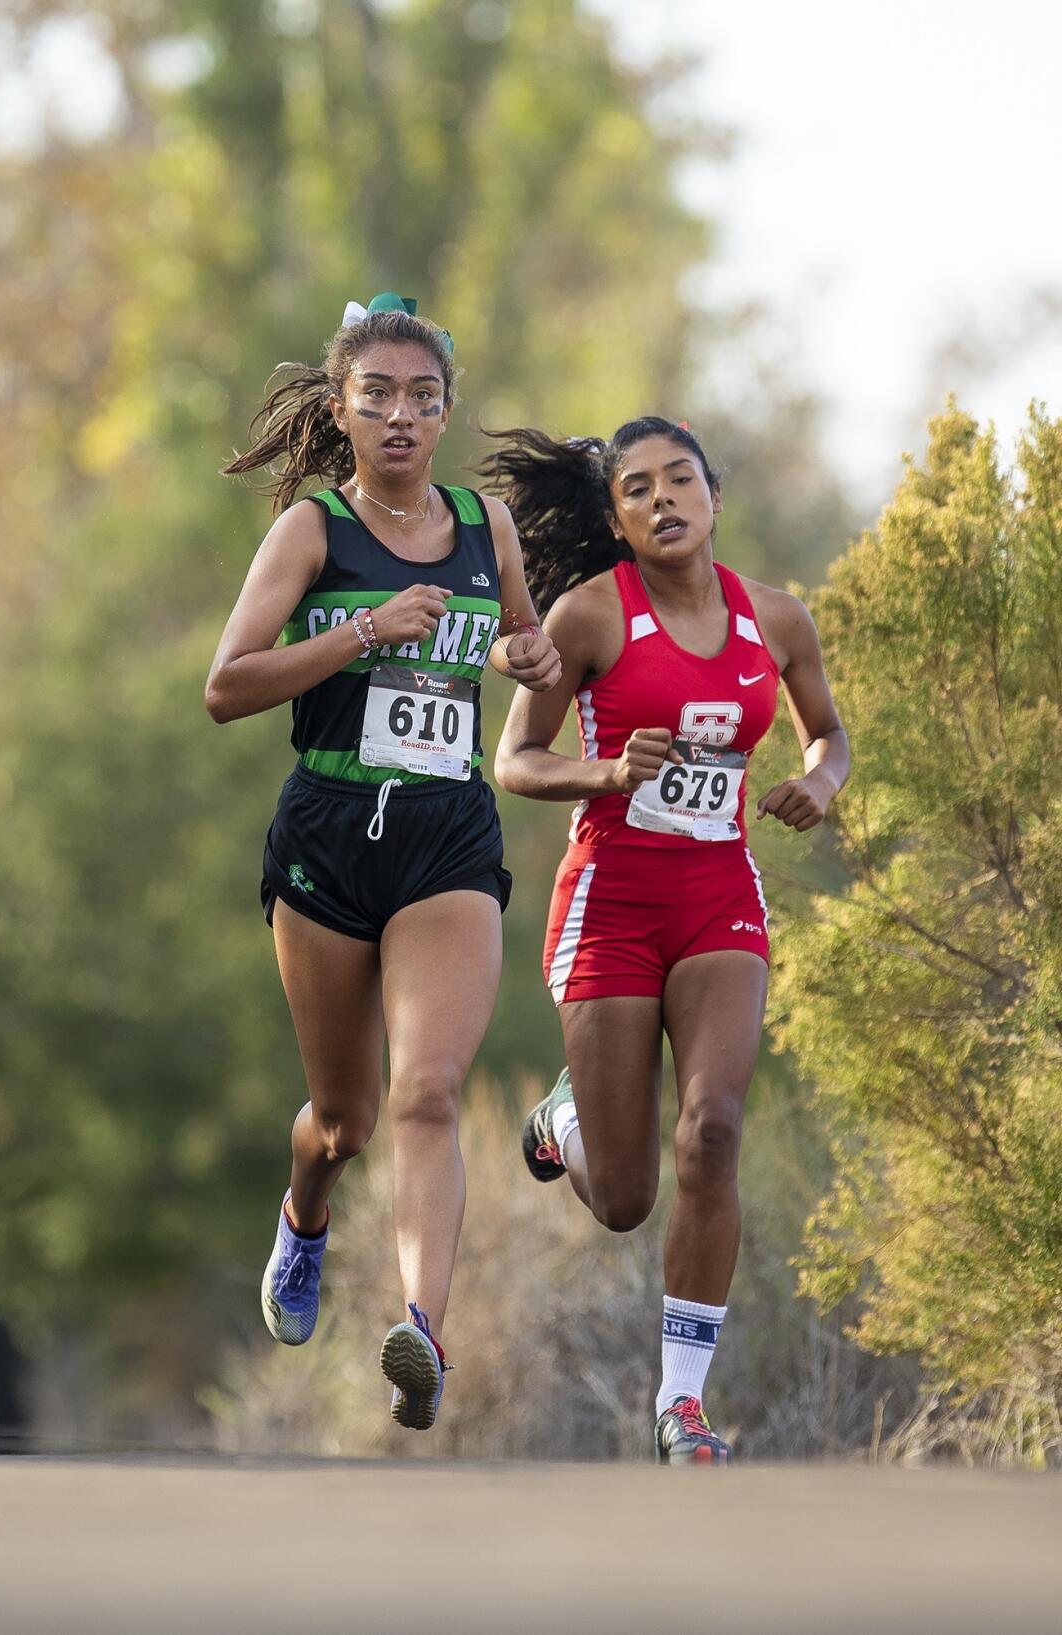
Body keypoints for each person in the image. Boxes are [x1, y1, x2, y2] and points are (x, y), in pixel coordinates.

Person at [205, 294, 560, 1431]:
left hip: (445, 838)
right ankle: (305, 1215)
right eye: (378, 397)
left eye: (422, 397)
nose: (401, 416)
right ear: (343, 410)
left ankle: (423, 1330)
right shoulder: (313, 531)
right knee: (345, 1117)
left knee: (429, 1090)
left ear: (447, 410)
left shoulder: (486, 526)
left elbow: (525, 653)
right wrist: (362, 630)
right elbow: (227, 687)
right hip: (326, 836)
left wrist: (531, 651)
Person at [482, 416, 849, 1463]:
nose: (661, 500)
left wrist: (820, 779)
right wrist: (604, 773)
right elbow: (517, 759)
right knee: (628, 1198)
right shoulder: (591, 616)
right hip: (612, 899)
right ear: (616, 521)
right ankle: (563, 1124)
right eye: (635, 491)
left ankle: (681, 1405)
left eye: (678, 480)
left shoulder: (774, 620)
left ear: (714, 495)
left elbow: (829, 729)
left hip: (718, 894)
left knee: (715, 1134)